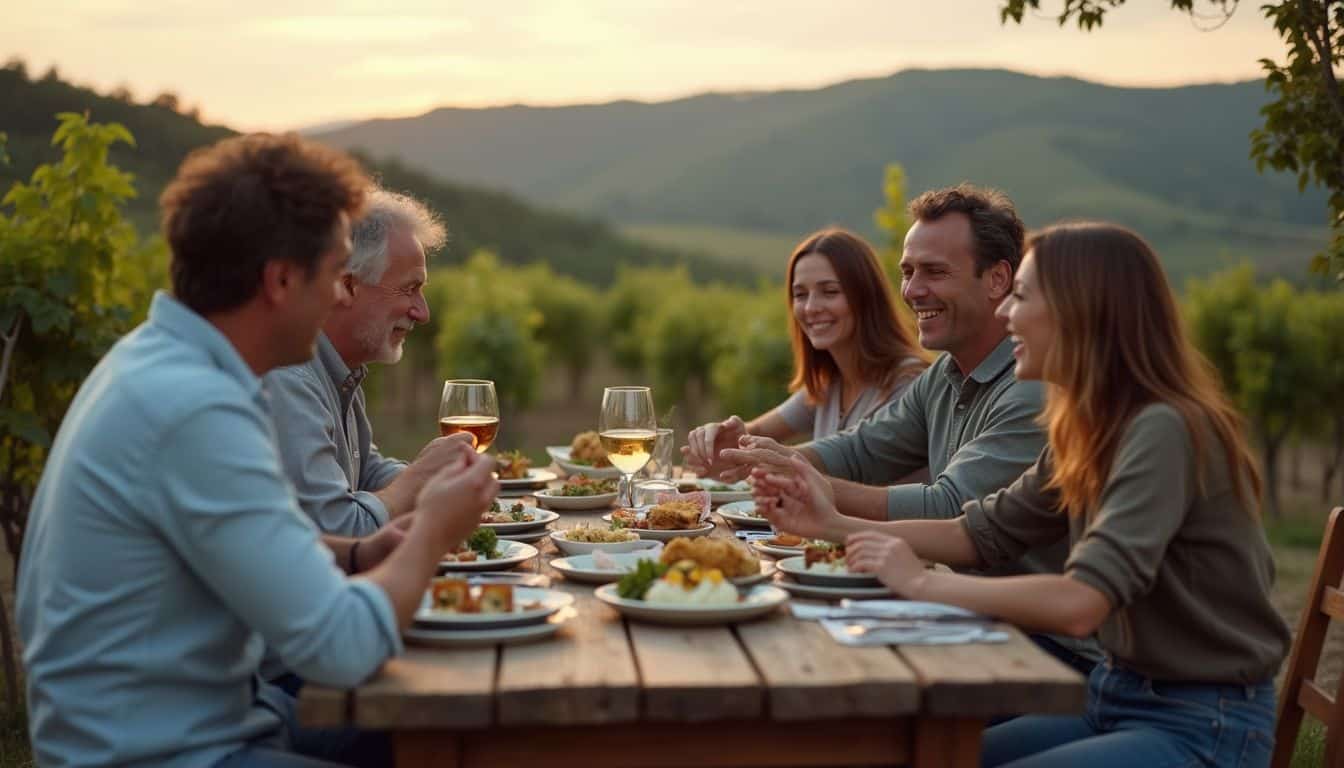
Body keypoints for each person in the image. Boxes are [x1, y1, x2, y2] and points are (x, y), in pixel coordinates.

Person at [16, 133, 496, 768]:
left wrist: (355, 550)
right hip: (164, 753)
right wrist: (433, 530)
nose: (338, 296)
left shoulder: (158, 362)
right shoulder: (193, 408)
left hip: (219, 717)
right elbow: (344, 647)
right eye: (332, 275)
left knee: (450, 735)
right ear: (280, 280)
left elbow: (229, 536)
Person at [760, 222, 1290, 767]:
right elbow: (978, 531)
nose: (1007, 313)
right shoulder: (1090, 425)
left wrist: (919, 582)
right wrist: (828, 525)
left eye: (1023, 296)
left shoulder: (1161, 428)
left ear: (1081, 309)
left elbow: (1082, 602)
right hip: (1117, 694)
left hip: (1203, 721)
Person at [692, 185, 1098, 674]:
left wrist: (813, 487)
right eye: (907, 272)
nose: (911, 290)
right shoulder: (945, 374)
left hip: (1042, 645)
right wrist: (768, 455)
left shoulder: (1031, 392)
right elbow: (862, 449)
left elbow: (951, 508)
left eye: (934, 271)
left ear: (997, 279)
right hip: (976, 614)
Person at [266, 186, 461, 537]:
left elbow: (365, 472)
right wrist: (419, 477)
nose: (423, 312)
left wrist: (437, 477)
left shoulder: (340, 368)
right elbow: (337, 529)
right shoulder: (290, 378)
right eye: (409, 288)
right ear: (349, 286)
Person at [683, 228, 927, 457]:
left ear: (866, 297)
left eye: (830, 291)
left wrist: (777, 463)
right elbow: (755, 432)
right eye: (800, 295)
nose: (811, 308)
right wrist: (724, 437)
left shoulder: (907, 383)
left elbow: (867, 482)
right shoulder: (828, 384)